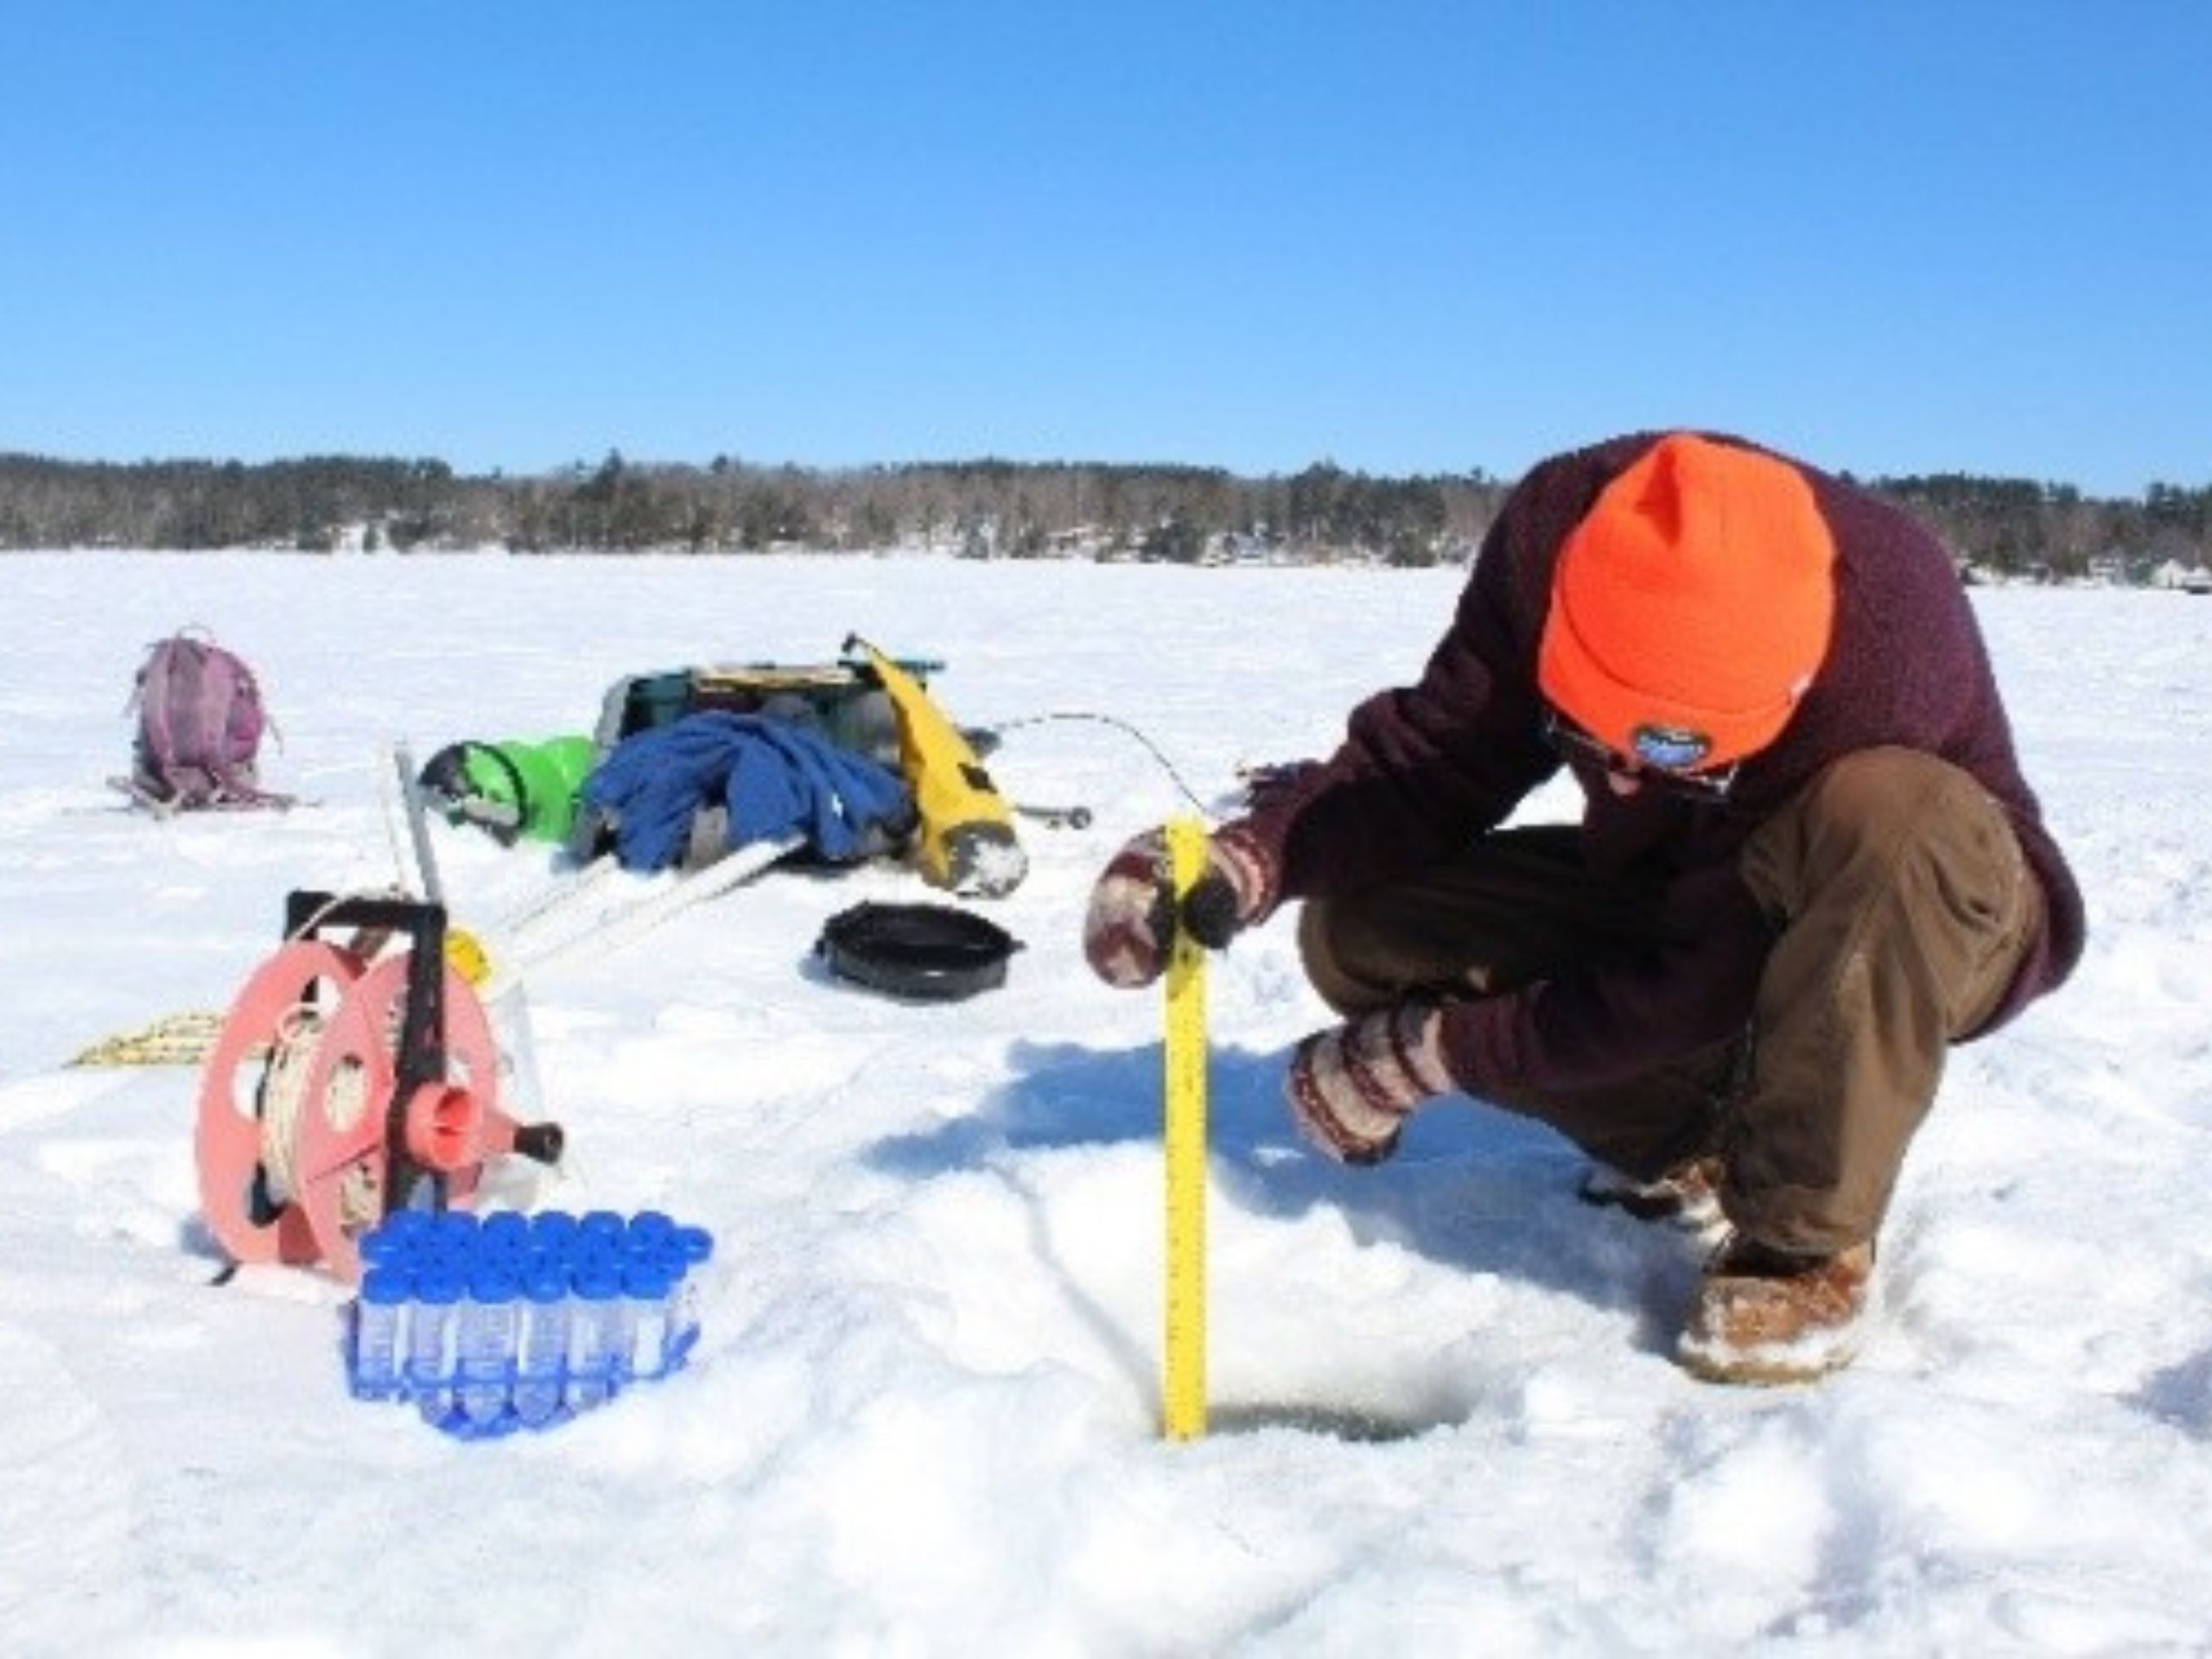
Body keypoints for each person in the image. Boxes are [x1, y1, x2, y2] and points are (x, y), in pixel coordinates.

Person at [1082, 430, 2084, 1386]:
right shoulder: (1554, 539)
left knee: (1886, 818)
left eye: (1683, 760)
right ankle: (1691, 1141)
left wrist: (1435, 1054)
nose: (1626, 781)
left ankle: (1803, 1239)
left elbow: (1704, 980)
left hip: (1923, 915)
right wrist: (1251, 857)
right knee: (1360, 929)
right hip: (1686, 892)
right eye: (1599, 738)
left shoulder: (1884, 635)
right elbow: (1437, 757)